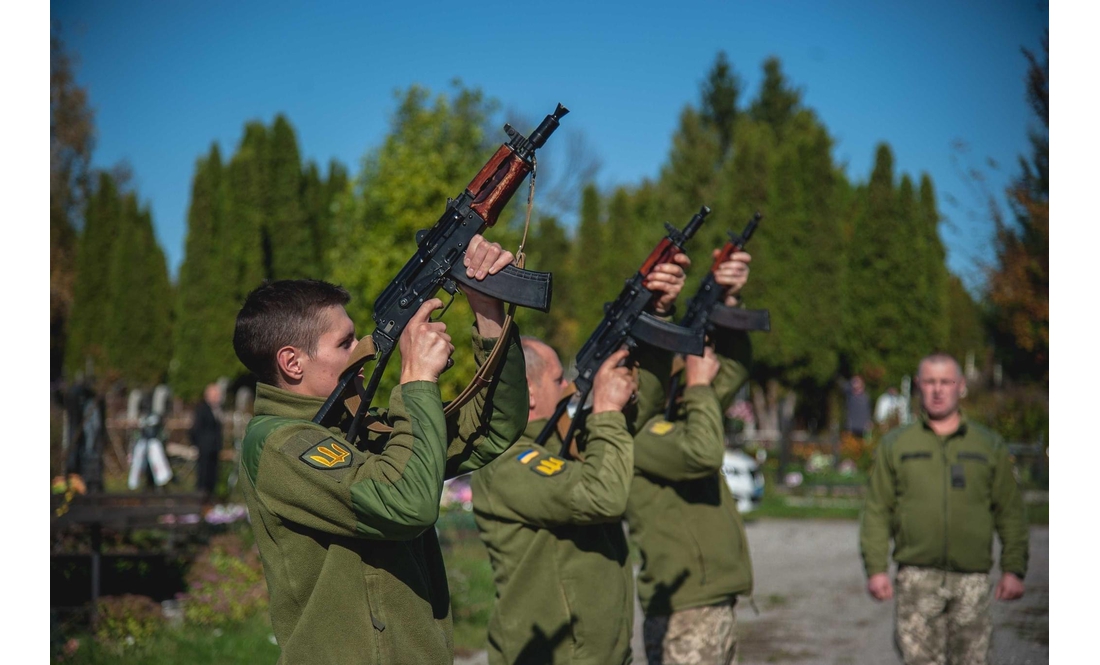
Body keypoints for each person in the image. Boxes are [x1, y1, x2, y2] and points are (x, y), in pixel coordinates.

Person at [234, 236, 528, 664]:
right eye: (344, 343)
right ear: (292, 363)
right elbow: (405, 504)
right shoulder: (278, 444)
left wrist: (487, 312)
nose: (362, 351)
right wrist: (416, 383)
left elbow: (492, 429)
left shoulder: (352, 428)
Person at [470, 253, 688, 665]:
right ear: (530, 393)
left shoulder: (559, 440)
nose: (569, 385)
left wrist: (657, 314)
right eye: (557, 379)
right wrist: (604, 412)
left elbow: (644, 409)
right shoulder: (504, 462)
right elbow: (602, 497)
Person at [625, 249, 754, 665]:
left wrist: (727, 301)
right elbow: (702, 453)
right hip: (684, 609)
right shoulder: (636, 432)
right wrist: (698, 386)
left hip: (709, 602)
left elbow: (732, 371)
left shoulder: (675, 412)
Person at [859, 352, 1029, 665]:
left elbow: (1010, 511)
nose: (938, 390)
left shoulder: (987, 445)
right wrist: (876, 568)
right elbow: (877, 510)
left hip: (972, 581)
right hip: (916, 579)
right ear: (919, 386)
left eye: (946, 382)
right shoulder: (897, 445)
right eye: (930, 382)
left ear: (960, 386)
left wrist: (1013, 568)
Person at [191, 383, 224, 499]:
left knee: (213, 474)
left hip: (214, 448)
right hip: (205, 447)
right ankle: (201, 499)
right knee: (203, 474)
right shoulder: (202, 409)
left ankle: (210, 497)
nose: (217, 398)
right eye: (215, 395)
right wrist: (198, 444)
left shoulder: (217, 410)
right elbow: (195, 429)